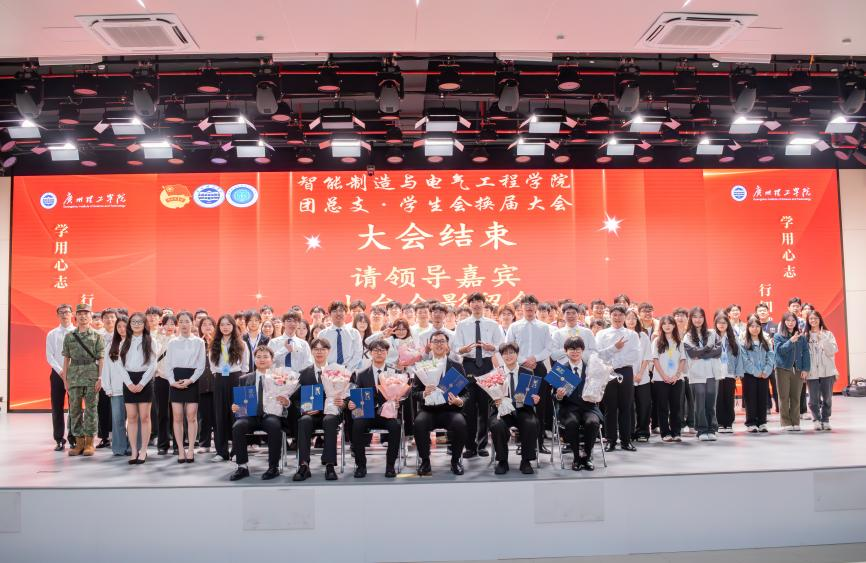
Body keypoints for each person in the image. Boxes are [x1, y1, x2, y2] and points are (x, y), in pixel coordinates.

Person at [452, 292, 505, 458]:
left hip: (487, 365)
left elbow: (501, 345)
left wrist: (492, 348)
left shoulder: (493, 324)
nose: (476, 304)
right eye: (473, 301)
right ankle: (469, 446)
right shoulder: (462, 325)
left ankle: (482, 445)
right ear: (469, 305)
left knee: (484, 407)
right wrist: (462, 349)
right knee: (468, 407)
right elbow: (455, 348)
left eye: (479, 301)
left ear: (484, 303)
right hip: (468, 365)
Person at [229, 346, 288, 481]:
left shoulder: (279, 378)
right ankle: (242, 467)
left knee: (274, 425)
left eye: (265, 357)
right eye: (259, 357)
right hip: (250, 416)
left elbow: (287, 400)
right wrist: (235, 407)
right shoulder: (244, 379)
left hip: (270, 415)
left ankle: (273, 467)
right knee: (238, 426)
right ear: (254, 359)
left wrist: (286, 402)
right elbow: (239, 402)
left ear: (272, 360)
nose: (262, 360)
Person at [413, 330, 468, 476]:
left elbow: (466, 393)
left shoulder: (456, 366)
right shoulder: (422, 366)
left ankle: (455, 461)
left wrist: (459, 401)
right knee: (419, 423)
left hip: (450, 410)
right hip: (428, 410)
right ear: (430, 345)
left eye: (442, 341)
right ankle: (425, 462)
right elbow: (414, 393)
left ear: (447, 345)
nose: (439, 344)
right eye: (435, 341)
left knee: (460, 423)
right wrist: (424, 393)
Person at [348, 340, 403, 479]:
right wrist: (352, 404)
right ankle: (361, 466)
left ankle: (390, 466)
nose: (379, 353)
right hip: (367, 413)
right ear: (370, 353)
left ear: (387, 352)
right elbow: (355, 395)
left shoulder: (394, 372)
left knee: (395, 426)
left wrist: (398, 402)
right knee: (357, 424)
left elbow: (402, 395)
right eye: (376, 350)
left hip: (387, 414)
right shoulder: (361, 374)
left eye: (382, 350)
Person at [505, 294, 553, 455]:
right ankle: (523, 443)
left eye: (532, 304)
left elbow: (548, 348)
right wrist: (523, 360)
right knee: (522, 405)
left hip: (539, 368)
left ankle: (540, 442)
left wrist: (535, 358)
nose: (529, 307)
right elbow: (508, 347)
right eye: (526, 304)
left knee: (540, 406)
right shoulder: (514, 326)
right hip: (519, 369)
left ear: (536, 307)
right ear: (521, 307)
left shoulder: (544, 327)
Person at [292, 338, 343, 481]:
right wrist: (304, 409)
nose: (319, 352)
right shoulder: (303, 374)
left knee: (330, 420)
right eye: (316, 349)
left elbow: (345, 396)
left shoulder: (337, 372)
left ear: (328, 351)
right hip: (310, 414)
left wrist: (342, 402)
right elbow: (295, 399)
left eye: (323, 349)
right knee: (304, 421)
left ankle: (330, 465)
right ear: (312, 351)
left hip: (330, 412)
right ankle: (304, 465)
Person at [61, 303, 106, 458]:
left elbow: (101, 359)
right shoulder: (69, 336)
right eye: (80, 313)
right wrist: (65, 379)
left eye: (86, 313)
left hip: (91, 376)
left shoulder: (97, 336)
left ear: (90, 316)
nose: (83, 316)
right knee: (74, 410)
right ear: (76, 317)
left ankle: (89, 443)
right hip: (74, 377)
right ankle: (79, 442)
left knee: (91, 410)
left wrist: (100, 378)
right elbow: (66, 359)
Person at [596, 305, 641, 452]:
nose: (617, 318)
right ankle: (610, 440)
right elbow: (599, 354)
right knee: (609, 408)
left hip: (626, 372)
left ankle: (626, 440)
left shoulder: (632, 334)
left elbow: (635, 355)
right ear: (609, 316)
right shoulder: (602, 334)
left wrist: (615, 362)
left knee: (626, 407)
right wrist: (614, 349)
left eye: (620, 315)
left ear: (624, 317)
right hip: (607, 372)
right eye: (614, 315)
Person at [554, 337, 603, 470]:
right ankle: (576, 458)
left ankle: (587, 457)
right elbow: (554, 396)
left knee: (592, 422)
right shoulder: (560, 371)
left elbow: (599, 390)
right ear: (566, 351)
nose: (575, 352)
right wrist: (559, 395)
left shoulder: (591, 369)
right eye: (571, 349)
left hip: (589, 407)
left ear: (582, 351)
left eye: (578, 349)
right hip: (569, 408)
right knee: (571, 423)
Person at [489, 342, 538, 475]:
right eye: (505, 353)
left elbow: (533, 395)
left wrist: (535, 399)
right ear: (501, 356)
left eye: (511, 352)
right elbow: (489, 398)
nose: (508, 356)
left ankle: (526, 461)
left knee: (531, 423)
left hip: (522, 410)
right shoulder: (496, 373)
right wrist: (495, 400)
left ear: (517, 354)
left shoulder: (527, 372)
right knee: (497, 425)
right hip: (501, 411)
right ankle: (502, 461)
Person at [166, 311, 207, 463]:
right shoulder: (172, 342)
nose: (184, 324)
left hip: (192, 380)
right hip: (175, 379)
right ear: (178, 324)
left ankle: (190, 449)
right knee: (177, 417)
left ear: (192, 323)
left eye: (187, 321)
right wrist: (172, 381)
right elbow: (168, 364)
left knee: (191, 416)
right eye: (181, 321)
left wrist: (190, 380)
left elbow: (201, 366)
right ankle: (180, 450)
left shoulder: (199, 342)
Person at [209, 314, 249, 462]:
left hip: (236, 378)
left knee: (237, 414)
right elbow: (212, 365)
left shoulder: (241, 344)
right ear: (218, 327)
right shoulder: (214, 344)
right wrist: (218, 374)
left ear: (233, 326)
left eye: (228, 324)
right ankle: (221, 452)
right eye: (222, 325)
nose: (225, 327)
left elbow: (245, 366)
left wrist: (241, 381)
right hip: (220, 379)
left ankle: (237, 451)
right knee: (220, 415)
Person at [120, 312, 157, 464]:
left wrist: (142, 383)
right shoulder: (124, 342)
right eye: (133, 322)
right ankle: (134, 450)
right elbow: (120, 365)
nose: (136, 324)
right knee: (132, 418)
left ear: (144, 324)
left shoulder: (151, 341)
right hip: (128, 380)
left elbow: (153, 364)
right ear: (129, 324)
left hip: (145, 380)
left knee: (145, 417)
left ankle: (143, 450)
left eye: (139, 322)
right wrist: (129, 383)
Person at [682, 307, 722, 442]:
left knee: (711, 401)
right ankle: (702, 430)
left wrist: (701, 353)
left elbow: (718, 351)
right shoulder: (687, 336)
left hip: (712, 372)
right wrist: (708, 349)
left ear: (704, 318)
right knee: (699, 402)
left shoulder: (712, 333)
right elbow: (692, 353)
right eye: (695, 317)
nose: (698, 320)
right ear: (691, 319)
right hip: (696, 372)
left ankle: (712, 429)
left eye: (700, 317)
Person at [773, 311, 811, 431]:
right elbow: (780, 351)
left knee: (796, 397)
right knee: (784, 397)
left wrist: (805, 369)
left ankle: (795, 422)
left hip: (798, 370)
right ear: (784, 322)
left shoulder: (801, 337)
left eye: (793, 320)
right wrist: (790, 341)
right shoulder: (778, 336)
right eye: (788, 320)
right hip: (782, 369)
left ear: (796, 322)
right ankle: (785, 422)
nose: (791, 323)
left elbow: (806, 353)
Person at [651, 315, 687, 442]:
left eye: (670, 323)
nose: (667, 326)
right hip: (660, 379)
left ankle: (676, 432)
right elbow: (655, 359)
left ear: (674, 325)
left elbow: (682, 359)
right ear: (661, 326)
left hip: (677, 379)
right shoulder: (657, 341)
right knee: (662, 407)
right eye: (664, 323)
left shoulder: (679, 342)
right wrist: (664, 376)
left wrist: (676, 375)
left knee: (676, 407)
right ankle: (665, 433)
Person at [47, 303, 75, 451]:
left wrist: (70, 371)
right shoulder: (52, 334)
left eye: (67, 312)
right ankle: (59, 439)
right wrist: (61, 371)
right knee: (57, 407)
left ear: (72, 314)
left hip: (75, 374)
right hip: (57, 375)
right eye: (62, 312)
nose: (65, 314)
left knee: (74, 407)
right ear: (58, 315)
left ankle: (73, 438)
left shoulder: (78, 332)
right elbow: (49, 356)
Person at [100, 315, 130, 456]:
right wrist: (107, 386)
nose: (122, 329)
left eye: (125, 326)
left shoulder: (135, 344)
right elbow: (106, 368)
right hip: (116, 388)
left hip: (133, 388)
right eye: (119, 326)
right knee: (117, 420)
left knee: (133, 420)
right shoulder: (111, 346)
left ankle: (133, 446)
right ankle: (119, 447)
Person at [740, 316, 775, 433]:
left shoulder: (766, 341)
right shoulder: (744, 343)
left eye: (757, 326)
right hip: (749, 375)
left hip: (764, 375)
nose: (755, 329)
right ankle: (751, 423)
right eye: (752, 326)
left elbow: (771, 356)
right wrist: (756, 372)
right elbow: (745, 360)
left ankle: (762, 422)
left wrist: (766, 371)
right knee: (750, 399)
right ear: (748, 328)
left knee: (762, 398)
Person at [806, 310, 838, 431]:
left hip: (827, 371)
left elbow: (832, 351)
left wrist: (823, 339)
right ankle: (816, 419)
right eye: (811, 319)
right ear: (808, 321)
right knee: (813, 399)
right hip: (812, 372)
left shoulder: (828, 334)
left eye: (816, 318)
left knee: (827, 398)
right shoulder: (805, 335)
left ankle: (825, 419)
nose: (813, 320)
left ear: (820, 320)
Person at [625, 309, 653, 443]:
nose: (631, 321)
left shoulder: (643, 336)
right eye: (628, 318)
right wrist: (631, 375)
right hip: (627, 377)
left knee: (644, 404)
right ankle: (629, 432)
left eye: (633, 318)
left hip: (643, 377)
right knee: (628, 405)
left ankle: (643, 431)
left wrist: (641, 373)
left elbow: (647, 356)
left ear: (637, 320)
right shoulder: (622, 336)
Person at [714, 314, 745, 434]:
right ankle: (720, 423)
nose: (721, 325)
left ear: (728, 324)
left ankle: (729, 423)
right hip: (717, 373)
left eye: (724, 323)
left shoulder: (733, 339)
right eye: (719, 323)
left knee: (729, 398)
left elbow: (739, 356)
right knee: (719, 399)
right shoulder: (712, 338)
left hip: (730, 373)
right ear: (716, 324)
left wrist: (738, 372)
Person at [153, 314, 176, 455]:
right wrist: (160, 338)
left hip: (175, 379)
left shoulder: (179, 339)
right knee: (162, 413)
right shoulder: (157, 339)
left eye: (172, 324)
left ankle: (178, 445)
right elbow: (153, 356)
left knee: (177, 413)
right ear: (162, 325)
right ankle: (163, 444)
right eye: (167, 323)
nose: (169, 326)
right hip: (160, 378)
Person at [96, 308, 118, 449]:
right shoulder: (97, 336)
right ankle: (104, 437)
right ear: (102, 320)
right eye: (106, 317)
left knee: (118, 407)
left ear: (116, 319)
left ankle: (118, 435)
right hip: (102, 374)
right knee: (102, 406)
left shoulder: (122, 335)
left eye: (112, 317)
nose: (109, 320)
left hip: (118, 375)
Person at [319, 301, 363, 371]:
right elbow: (319, 354)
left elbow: (358, 354)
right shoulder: (322, 334)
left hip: (350, 371)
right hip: (328, 371)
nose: (338, 313)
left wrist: (348, 370)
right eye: (334, 311)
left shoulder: (354, 333)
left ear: (346, 313)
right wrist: (328, 369)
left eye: (341, 311)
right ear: (330, 314)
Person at [195, 316, 217, 454]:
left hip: (216, 383)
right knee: (204, 415)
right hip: (201, 383)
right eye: (204, 324)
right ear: (200, 328)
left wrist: (211, 343)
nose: (207, 327)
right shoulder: (196, 343)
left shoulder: (219, 343)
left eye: (210, 324)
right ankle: (204, 443)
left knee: (218, 415)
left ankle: (220, 443)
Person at [756, 302, 780, 413]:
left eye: (764, 310)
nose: (762, 312)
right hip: (760, 361)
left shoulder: (775, 326)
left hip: (774, 361)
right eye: (760, 311)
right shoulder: (754, 326)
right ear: (757, 313)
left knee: (777, 385)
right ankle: (767, 407)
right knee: (763, 386)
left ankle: (780, 406)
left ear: (768, 312)